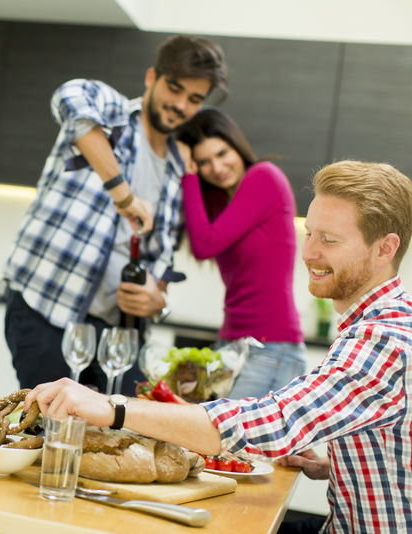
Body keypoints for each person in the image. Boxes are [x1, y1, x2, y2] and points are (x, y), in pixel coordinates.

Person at [25, 160, 412, 533]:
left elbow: (274, 421)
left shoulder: (385, 338)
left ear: (384, 249)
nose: (309, 252)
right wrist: (333, 465)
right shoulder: (381, 323)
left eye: (328, 239)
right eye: (309, 232)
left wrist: (112, 408)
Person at [1, 35, 228, 395]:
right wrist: (122, 194)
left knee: (115, 440)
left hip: (118, 335)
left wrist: (158, 298)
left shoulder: (176, 165)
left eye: (194, 99)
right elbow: (68, 96)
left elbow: (162, 253)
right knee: (49, 429)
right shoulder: (113, 111)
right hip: (48, 311)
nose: (181, 104)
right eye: (175, 88)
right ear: (152, 77)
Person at [176, 108, 305, 399]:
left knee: (225, 440)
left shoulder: (264, 177)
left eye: (222, 153)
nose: (217, 167)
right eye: (203, 162)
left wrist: (189, 175)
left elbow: (204, 245)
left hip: (271, 347)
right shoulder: (221, 202)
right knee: (212, 441)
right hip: (231, 344)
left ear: (237, 146)